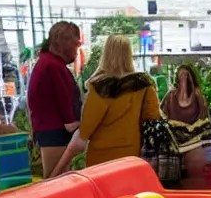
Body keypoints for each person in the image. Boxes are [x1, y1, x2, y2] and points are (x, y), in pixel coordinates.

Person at [51, 34, 161, 175]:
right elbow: (153, 117)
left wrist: (56, 172)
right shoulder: (144, 85)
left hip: (101, 161)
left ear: (106, 54)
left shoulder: (99, 88)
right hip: (132, 156)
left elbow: (85, 131)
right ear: (129, 54)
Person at [27, 20, 82, 178]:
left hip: (49, 131)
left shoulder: (47, 62)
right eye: (76, 45)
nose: (77, 51)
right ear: (65, 43)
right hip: (55, 132)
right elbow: (65, 101)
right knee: (55, 181)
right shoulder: (53, 66)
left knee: (56, 180)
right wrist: (76, 123)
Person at [161, 63, 211, 184]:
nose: (183, 78)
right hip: (173, 142)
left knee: (195, 179)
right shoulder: (170, 96)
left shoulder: (197, 95)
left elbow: (204, 118)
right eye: (181, 75)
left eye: (186, 75)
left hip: (193, 143)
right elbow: (162, 114)